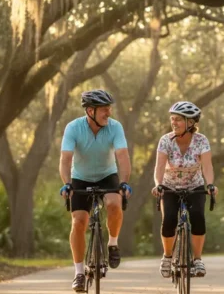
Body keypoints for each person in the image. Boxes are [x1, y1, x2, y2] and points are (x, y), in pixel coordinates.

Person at [59, 89, 132, 293]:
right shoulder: (73, 128)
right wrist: (67, 183)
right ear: (90, 111)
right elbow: (65, 160)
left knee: (114, 205)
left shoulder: (115, 127)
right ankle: (79, 273)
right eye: (104, 110)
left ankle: (113, 243)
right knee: (79, 221)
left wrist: (124, 182)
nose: (108, 113)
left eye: (109, 109)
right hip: (80, 178)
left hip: (107, 175)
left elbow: (123, 157)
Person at [151, 101, 219, 278]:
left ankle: (197, 260)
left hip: (194, 186)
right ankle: (167, 257)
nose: (174, 123)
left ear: (190, 123)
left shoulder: (201, 141)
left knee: (197, 216)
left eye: (178, 120)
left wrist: (210, 184)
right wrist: (158, 183)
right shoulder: (165, 140)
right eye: (172, 119)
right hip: (169, 186)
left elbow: (207, 167)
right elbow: (159, 167)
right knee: (169, 220)